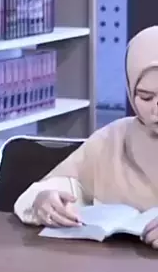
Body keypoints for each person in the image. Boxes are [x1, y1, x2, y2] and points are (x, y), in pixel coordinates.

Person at [14, 25, 158, 248]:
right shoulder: (113, 139)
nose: (156, 110)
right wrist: (45, 200)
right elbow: (58, 187)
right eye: (146, 97)